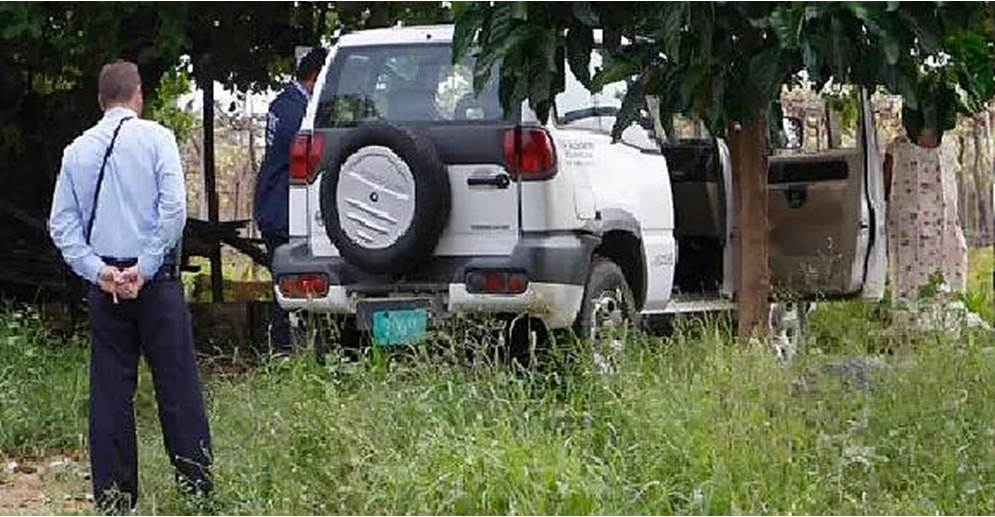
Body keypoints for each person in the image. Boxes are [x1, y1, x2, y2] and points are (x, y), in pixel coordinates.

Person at [48, 60, 212, 513]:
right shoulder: (158, 139)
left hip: (106, 287)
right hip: (154, 283)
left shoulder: (76, 151)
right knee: (178, 387)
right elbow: (174, 208)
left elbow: (61, 225)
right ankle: (196, 490)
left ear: (100, 101)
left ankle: (115, 500)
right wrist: (146, 264)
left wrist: (99, 270)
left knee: (110, 393)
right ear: (137, 95)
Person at [254, 47, 328, 352]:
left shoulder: (287, 104)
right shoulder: (295, 111)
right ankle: (283, 350)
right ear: (316, 76)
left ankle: (290, 348)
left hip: (279, 206)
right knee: (287, 287)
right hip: (282, 209)